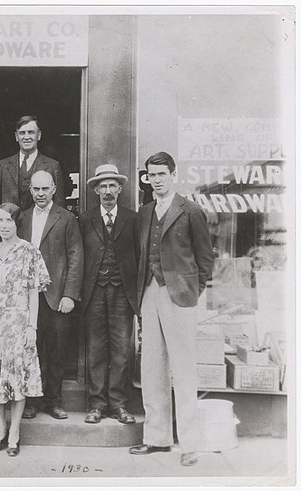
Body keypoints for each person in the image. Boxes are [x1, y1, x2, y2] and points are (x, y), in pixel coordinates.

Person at [129, 152, 214, 466]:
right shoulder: (144, 212)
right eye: (152, 174)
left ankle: (190, 444)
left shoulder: (191, 211)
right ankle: (157, 438)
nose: (157, 180)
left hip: (180, 296)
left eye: (162, 174)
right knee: (151, 368)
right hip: (149, 292)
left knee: (183, 370)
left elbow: (205, 260)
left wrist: (192, 291)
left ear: (173, 175)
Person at [0, 203, 51, 457]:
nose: (4, 225)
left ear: (17, 223)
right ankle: (0, 430)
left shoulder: (29, 252)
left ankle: (15, 433)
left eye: (9, 221)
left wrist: (32, 326)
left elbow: (33, 293)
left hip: (18, 323)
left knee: (17, 378)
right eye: (0, 220)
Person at [17, 170, 83, 420]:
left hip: (56, 296)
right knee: (30, 351)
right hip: (27, 298)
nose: (41, 194)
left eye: (45, 189)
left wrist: (70, 295)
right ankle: (32, 401)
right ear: (30, 190)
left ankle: (54, 401)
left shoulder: (66, 218)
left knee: (56, 351)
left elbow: (76, 258)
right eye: (36, 189)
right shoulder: (21, 219)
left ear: (54, 189)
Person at [80, 164, 139, 425]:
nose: (107, 191)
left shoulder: (133, 219)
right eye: (102, 186)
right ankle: (96, 404)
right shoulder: (84, 219)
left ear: (120, 188)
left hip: (121, 292)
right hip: (93, 292)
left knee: (120, 351)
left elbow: (140, 256)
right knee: (96, 349)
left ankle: (118, 404)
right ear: (95, 190)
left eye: (112, 185)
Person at [0, 115, 65, 210]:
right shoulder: (4, 165)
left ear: (38, 135)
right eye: (22, 133)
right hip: (9, 223)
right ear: (16, 137)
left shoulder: (52, 166)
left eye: (31, 132)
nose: (26, 137)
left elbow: (59, 206)